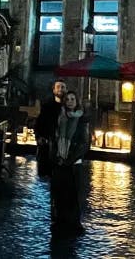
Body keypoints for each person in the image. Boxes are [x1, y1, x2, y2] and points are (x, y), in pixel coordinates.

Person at [49, 90, 90, 237]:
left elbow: (84, 144)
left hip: (73, 163)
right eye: (67, 99)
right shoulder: (60, 118)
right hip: (60, 161)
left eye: (73, 99)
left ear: (77, 101)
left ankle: (72, 224)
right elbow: (54, 139)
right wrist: (56, 157)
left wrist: (69, 159)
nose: (70, 101)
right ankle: (60, 221)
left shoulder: (82, 120)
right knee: (59, 193)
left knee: (73, 194)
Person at [34, 80, 66, 176]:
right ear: (54, 90)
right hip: (48, 146)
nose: (60, 89)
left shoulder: (68, 107)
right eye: (58, 87)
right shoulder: (47, 107)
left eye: (63, 87)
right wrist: (39, 137)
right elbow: (39, 124)